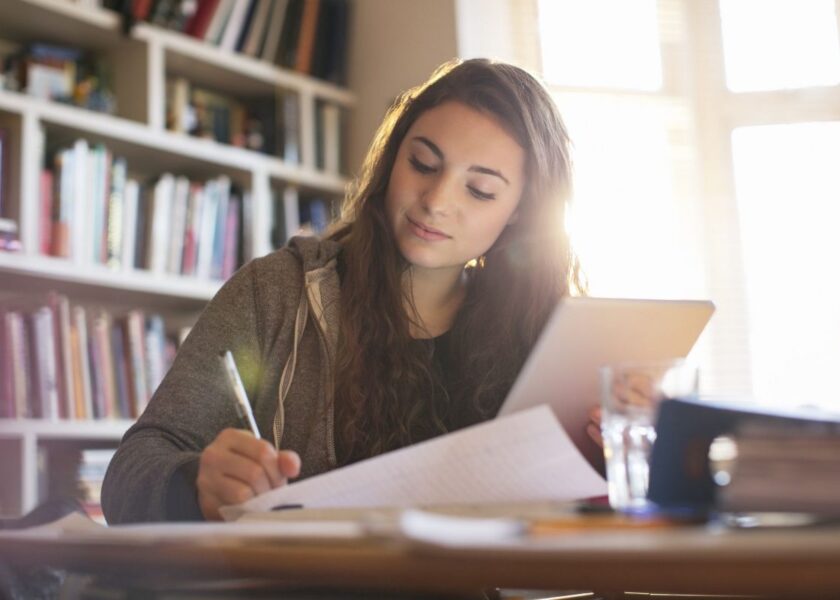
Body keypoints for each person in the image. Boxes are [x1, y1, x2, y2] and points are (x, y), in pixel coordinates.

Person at [102, 58, 583, 523]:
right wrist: (195, 485)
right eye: (422, 163)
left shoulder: (544, 336)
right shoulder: (275, 292)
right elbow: (129, 473)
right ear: (394, 158)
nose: (436, 202)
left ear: (521, 210)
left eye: (479, 190)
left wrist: (607, 445)